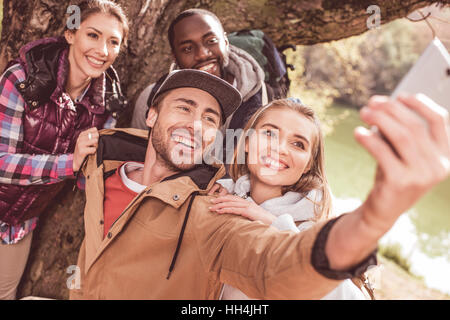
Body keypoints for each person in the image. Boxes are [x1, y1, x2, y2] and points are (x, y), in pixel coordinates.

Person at [70, 68, 449, 299]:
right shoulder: (102, 165)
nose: (196, 124)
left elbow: (274, 267)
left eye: (209, 118)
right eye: (184, 107)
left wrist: (375, 215)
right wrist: (90, 149)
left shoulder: (209, 210)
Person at [0, 0, 129, 300]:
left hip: (19, 224)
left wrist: (105, 170)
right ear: (71, 34)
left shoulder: (105, 105)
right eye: (93, 35)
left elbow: (85, 179)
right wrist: (69, 163)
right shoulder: (21, 80)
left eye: (113, 42)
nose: (102, 51)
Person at [209, 98, 370, 299]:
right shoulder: (220, 193)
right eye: (269, 133)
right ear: (248, 142)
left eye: (298, 144)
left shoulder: (310, 232)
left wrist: (271, 222)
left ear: (308, 164)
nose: (281, 149)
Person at [131, 8, 269, 134]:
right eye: (187, 48)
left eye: (211, 41)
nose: (202, 54)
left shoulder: (257, 97)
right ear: (175, 56)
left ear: (226, 43)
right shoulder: (152, 97)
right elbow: (137, 151)